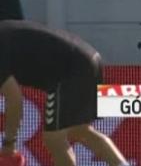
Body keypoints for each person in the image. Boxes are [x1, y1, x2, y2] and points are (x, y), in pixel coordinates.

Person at [0, 20, 130, 166]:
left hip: (70, 70)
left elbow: (15, 100)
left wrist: (9, 144)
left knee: (54, 137)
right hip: (89, 59)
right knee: (79, 130)